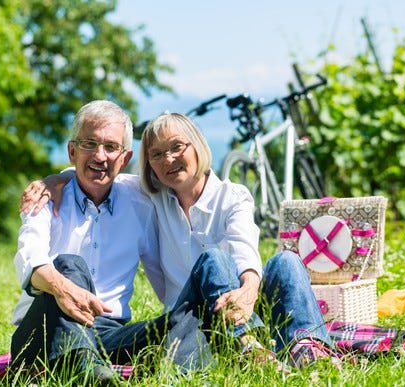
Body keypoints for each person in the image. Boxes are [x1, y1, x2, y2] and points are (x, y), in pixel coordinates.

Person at [22, 112, 340, 370]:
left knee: (285, 260)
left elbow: (244, 246)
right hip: (76, 323)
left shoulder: (216, 196)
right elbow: (94, 173)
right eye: (157, 154)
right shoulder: (143, 198)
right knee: (211, 260)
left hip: (225, 311)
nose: (169, 159)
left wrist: (249, 288)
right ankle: (248, 350)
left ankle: (308, 350)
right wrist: (54, 180)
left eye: (177, 147)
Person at [11, 101, 210, 385]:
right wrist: (63, 288)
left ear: (125, 157)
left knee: (190, 314)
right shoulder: (45, 198)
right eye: (89, 144)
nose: (100, 156)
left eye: (111, 147)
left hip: (108, 335)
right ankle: (85, 372)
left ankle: (175, 374)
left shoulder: (141, 200)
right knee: (69, 264)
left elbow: (182, 179)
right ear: (72, 151)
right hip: (46, 329)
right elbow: (30, 260)